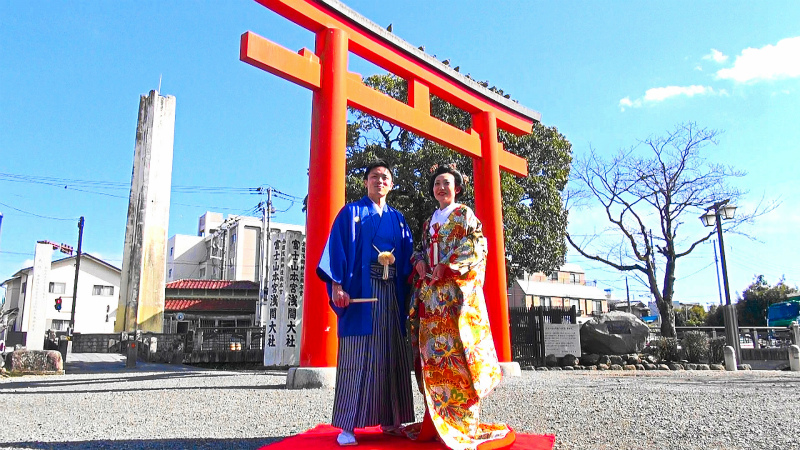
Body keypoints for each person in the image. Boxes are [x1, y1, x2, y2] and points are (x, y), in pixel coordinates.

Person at [405, 164, 515, 450]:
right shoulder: (429, 220)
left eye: (447, 183)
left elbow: (478, 244)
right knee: (433, 358)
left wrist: (448, 265)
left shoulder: (465, 214)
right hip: (432, 298)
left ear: (457, 188)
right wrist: (418, 261)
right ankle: (435, 420)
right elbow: (420, 248)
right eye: (437, 183)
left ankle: (462, 422)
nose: (442, 187)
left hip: (454, 297)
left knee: (459, 358)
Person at [316, 160, 415, 446]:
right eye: (374, 177)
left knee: (391, 354)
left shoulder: (398, 219)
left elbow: (408, 256)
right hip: (362, 291)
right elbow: (336, 250)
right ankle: (348, 425)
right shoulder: (351, 213)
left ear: (391, 185)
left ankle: (392, 420)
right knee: (357, 356)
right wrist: (337, 285)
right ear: (365, 183)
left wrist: (419, 264)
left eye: (385, 177)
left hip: (391, 292)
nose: (379, 181)